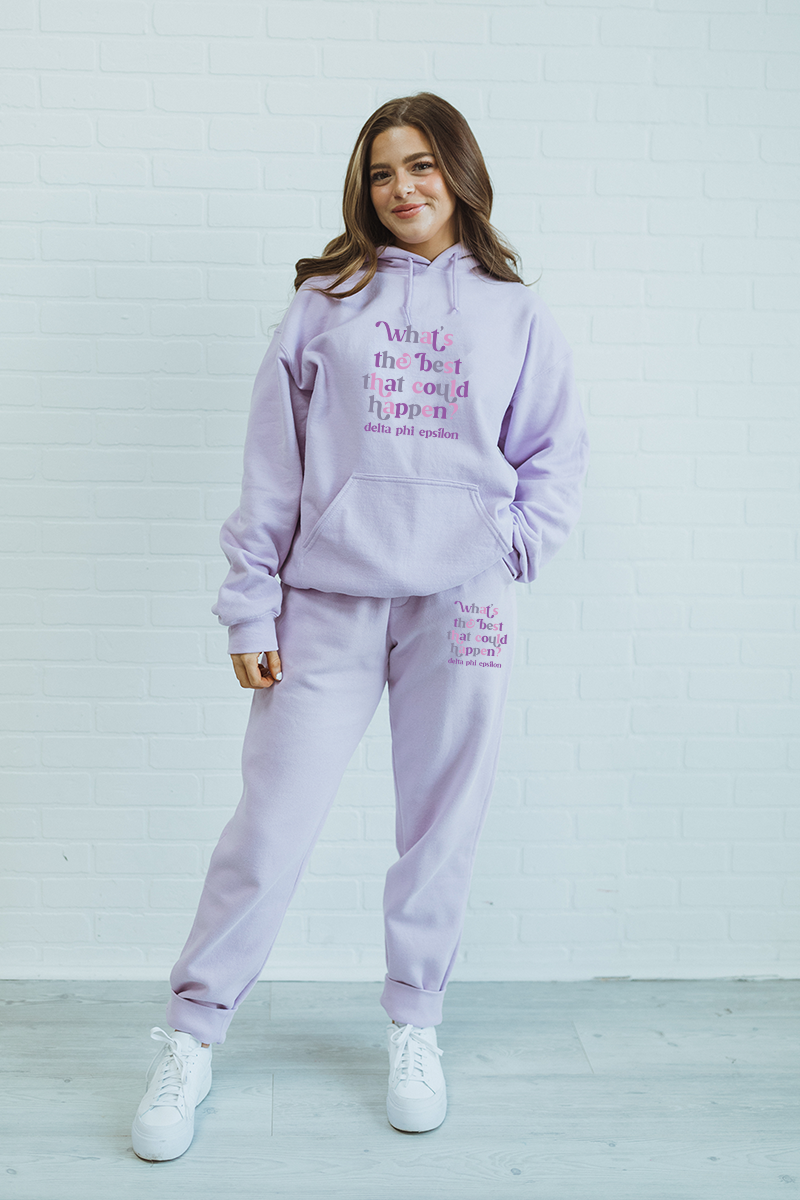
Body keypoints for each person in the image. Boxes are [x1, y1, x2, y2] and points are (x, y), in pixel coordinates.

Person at [131, 91, 589, 1161]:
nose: (400, 188)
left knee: (441, 824)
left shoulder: (516, 314)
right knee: (270, 826)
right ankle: (192, 1036)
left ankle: (414, 1024)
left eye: (420, 165)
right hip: (326, 602)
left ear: (458, 173)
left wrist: (507, 547)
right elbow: (271, 470)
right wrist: (249, 604)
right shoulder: (322, 305)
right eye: (382, 172)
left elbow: (554, 458)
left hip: (462, 604)